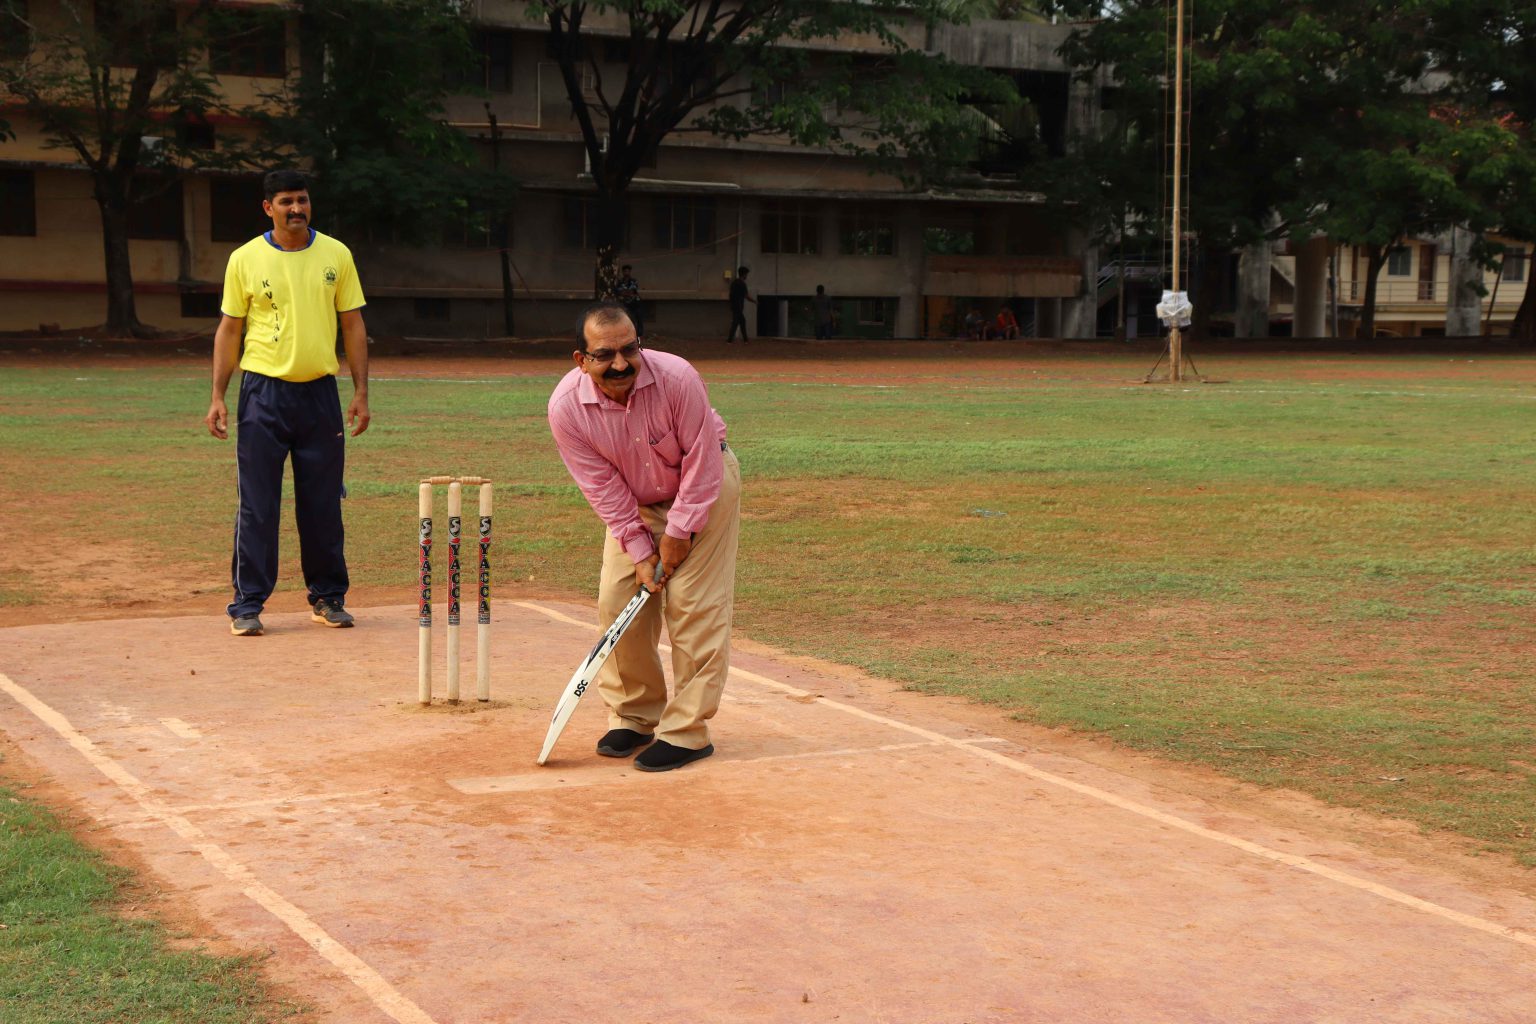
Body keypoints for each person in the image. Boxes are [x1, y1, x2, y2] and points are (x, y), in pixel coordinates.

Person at [548, 302, 742, 772]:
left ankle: (687, 732)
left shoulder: (678, 378)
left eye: (629, 349)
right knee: (619, 602)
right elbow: (602, 487)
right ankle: (634, 715)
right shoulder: (566, 409)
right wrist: (639, 547)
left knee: (694, 605)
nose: (620, 363)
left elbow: (702, 460)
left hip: (705, 488)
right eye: (604, 354)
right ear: (581, 359)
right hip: (634, 502)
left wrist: (679, 532)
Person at [204, 169, 370, 637]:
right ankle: (248, 604)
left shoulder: (336, 254)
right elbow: (229, 329)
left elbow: (353, 325)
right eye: (285, 201)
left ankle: (328, 597)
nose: (296, 208)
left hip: (319, 394)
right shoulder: (245, 258)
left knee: (322, 504)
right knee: (257, 504)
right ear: (268, 208)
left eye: (302, 200)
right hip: (262, 394)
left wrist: (360, 391)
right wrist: (218, 395)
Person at [614, 263, 644, 337]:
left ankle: (639, 333)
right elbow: (619, 291)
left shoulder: (633, 281)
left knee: (638, 316)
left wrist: (627, 292)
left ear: (630, 272)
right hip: (623, 303)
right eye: (625, 271)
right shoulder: (620, 282)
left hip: (633, 302)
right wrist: (626, 293)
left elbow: (633, 290)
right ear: (623, 272)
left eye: (628, 271)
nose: (626, 273)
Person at [727, 265, 754, 343]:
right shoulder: (742, 284)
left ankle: (745, 339)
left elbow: (731, 295)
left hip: (734, 306)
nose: (747, 276)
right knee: (736, 322)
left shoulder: (734, 283)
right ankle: (730, 340)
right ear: (744, 274)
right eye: (746, 274)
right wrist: (755, 301)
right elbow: (746, 296)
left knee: (742, 321)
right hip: (738, 306)